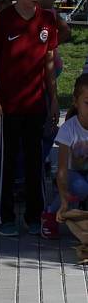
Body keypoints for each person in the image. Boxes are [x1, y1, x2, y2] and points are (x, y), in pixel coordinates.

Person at [0, 0, 59, 237]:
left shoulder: (47, 20)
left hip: (36, 105)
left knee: (35, 161)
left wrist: (52, 99)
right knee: (5, 162)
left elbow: (49, 63)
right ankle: (1, 216)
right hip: (8, 106)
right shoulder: (3, 19)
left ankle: (34, 214)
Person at [41, 74, 88, 238]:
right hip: (70, 175)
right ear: (76, 102)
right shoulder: (68, 129)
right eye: (87, 103)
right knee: (81, 188)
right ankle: (49, 214)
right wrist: (63, 198)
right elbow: (61, 170)